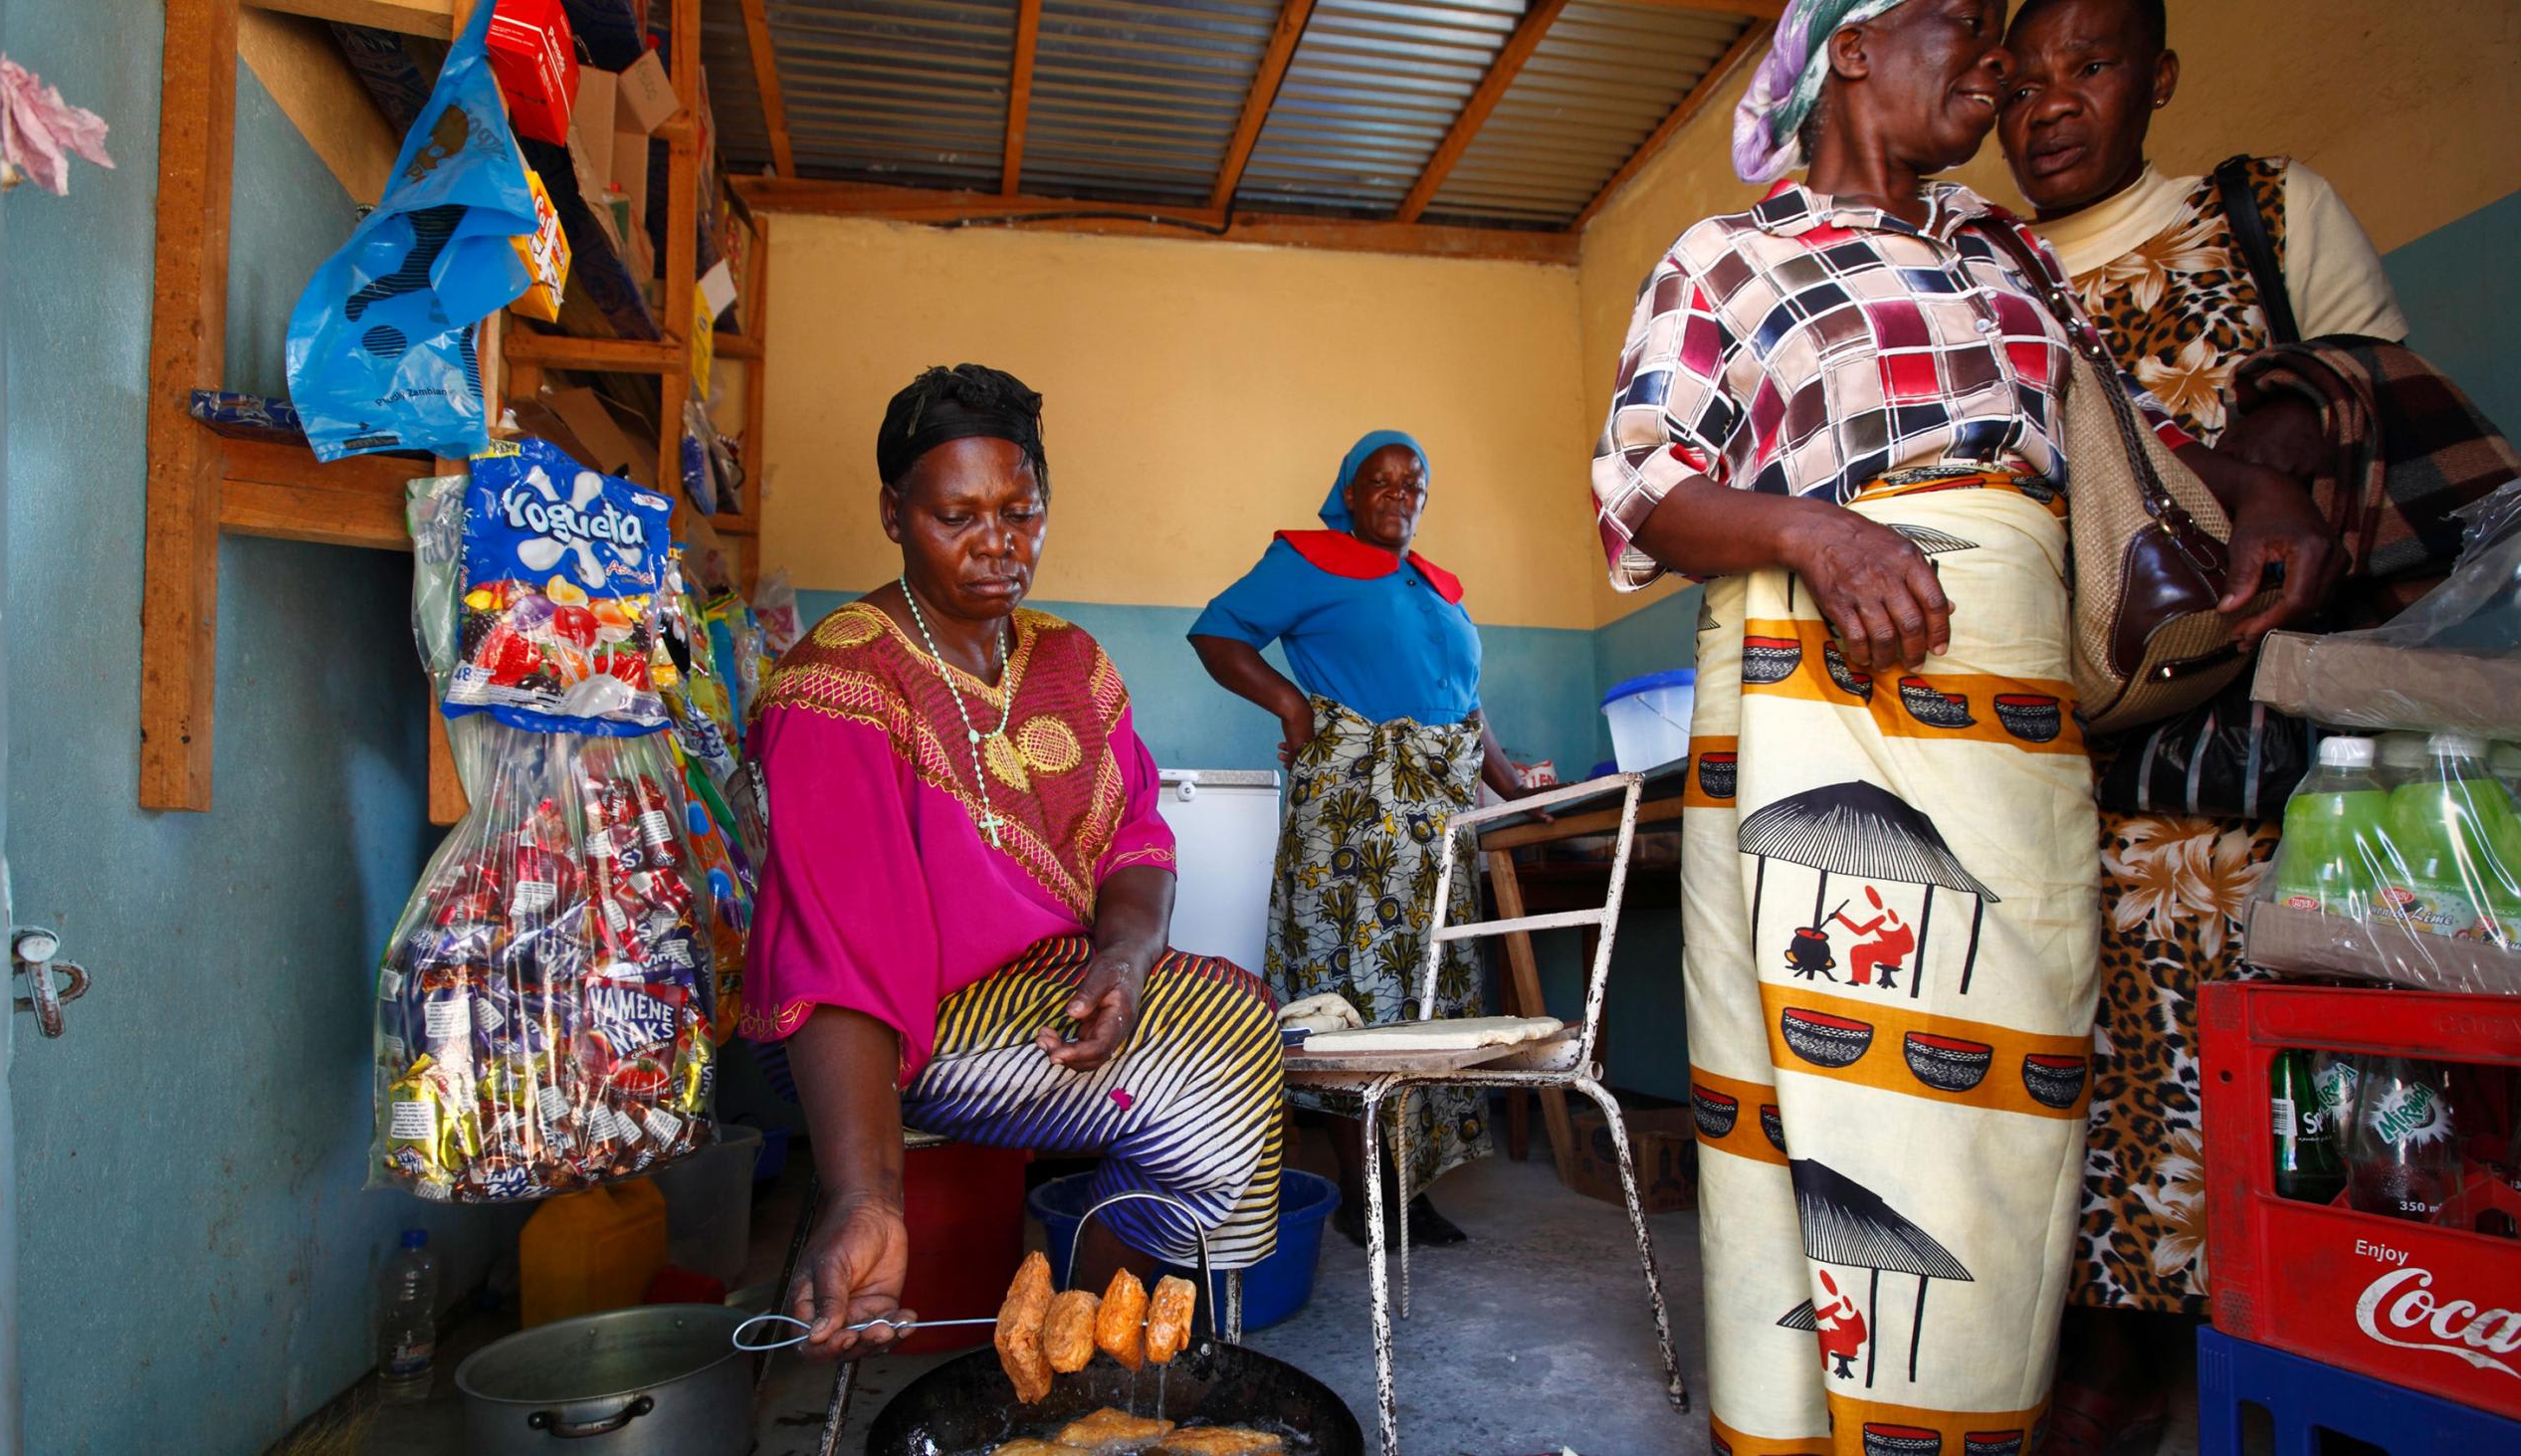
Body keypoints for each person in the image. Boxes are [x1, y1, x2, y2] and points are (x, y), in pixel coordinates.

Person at [1588, 1, 2319, 1447]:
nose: (1996, 61)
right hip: (1810, 691)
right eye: (1962, 25)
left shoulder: (2007, 252)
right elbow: (1642, 487)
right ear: (1853, 47)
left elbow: (2125, 447)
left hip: (2014, 722)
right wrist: (1812, 533)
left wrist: (2265, 490)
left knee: (1999, 1127)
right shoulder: (1729, 256)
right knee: (1799, 1109)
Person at [1996, 1, 2453, 1446]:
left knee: (2266, 1036)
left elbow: (2364, 389)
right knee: (2089, 1046)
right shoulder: (1987, 268)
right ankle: (2109, 1353)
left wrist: (2262, 464)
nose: (2048, 106)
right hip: (2067, 724)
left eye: (2089, 68)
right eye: (2021, 81)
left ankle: (2289, 1334)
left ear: (2159, 79)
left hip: (2253, 712)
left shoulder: (2260, 210)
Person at [741, 364, 1284, 1361]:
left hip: (1039, 986)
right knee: (1217, 1068)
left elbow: (1136, 837)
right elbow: (837, 947)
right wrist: (867, 1191)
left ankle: (1074, 1325)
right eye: (956, 516)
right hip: (869, 1019)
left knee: (1241, 1013)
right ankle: (1083, 1341)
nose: (997, 542)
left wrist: (1123, 957)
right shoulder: (840, 680)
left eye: (1020, 511)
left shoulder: (1070, 660)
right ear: (893, 514)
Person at [1188, 431, 1535, 1248]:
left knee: (1427, 991)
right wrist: (1292, 706)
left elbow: (1466, 702)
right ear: (1348, 493)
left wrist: (1515, 786)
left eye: (1413, 483)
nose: (1398, 494)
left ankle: (1409, 1186)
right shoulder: (1308, 562)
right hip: (1354, 815)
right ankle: (1362, 1190)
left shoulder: (1439, 587)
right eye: (1380, 481)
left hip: (1436, 825)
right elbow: (1216, 632)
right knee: (1351, 990)